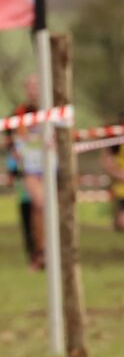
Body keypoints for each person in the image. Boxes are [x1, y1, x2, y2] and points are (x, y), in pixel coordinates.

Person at [7, 77, 49, 270]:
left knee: (45, 209)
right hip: (29, 169)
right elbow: (9, 141)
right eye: (30, 87)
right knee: (37, 205)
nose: (34, 91)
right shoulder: (18, 113)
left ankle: (45, 251)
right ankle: (38, 252)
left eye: (37, 86)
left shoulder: (52, 110)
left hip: (52, 168)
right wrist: (13, 163)